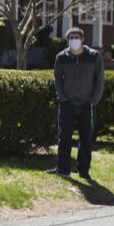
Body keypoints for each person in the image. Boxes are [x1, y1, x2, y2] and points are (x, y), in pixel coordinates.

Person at [46, 27, 105, 179]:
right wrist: (62, 96)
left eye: (76, 37)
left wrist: (94, 100)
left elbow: (100, 80)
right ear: (67, 40)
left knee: (86, 139)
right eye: (71, 37)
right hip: (67, 104)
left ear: (82, 39)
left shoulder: (94, 56)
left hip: (87, 105)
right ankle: (63, 169)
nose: (74, 40)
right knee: (64, 138)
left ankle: (83, 170)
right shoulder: (61, 57)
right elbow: (58, 78)